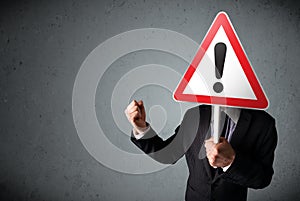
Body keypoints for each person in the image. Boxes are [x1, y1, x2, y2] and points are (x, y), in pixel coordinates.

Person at [125, 100, 277, 201]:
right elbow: (168, 154)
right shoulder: (194, 116)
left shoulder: (263, 124)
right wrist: (141, 128)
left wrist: (231, 162)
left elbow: (262, 179)